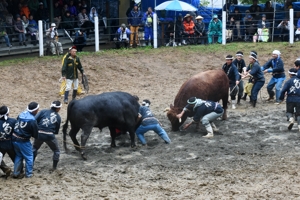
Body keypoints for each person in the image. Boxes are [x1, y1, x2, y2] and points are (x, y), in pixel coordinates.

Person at [12, 102, 39, 179]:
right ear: (35, 110)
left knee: (19, 155)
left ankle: (16, 172)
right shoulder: (32, 120)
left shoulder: (21, 114)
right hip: (23, 141)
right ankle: (28, 174)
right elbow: (35, 134)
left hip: (14, 138)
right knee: (29, 157)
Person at [33, 101, 62, 171]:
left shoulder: (43, 111)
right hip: (50, 135)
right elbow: (56, 131)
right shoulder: (58, 117)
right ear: (58, 109)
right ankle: (54, 167)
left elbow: (34, 120)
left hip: (39, 134)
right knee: (56, 151)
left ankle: (30, 165)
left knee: (34, 148)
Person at [0, 106, 17, 178]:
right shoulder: (13, 121)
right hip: (10, 144)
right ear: (8, 113)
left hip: (0, 144)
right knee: (15, 158)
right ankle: (19, 172)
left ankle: (5, 168)